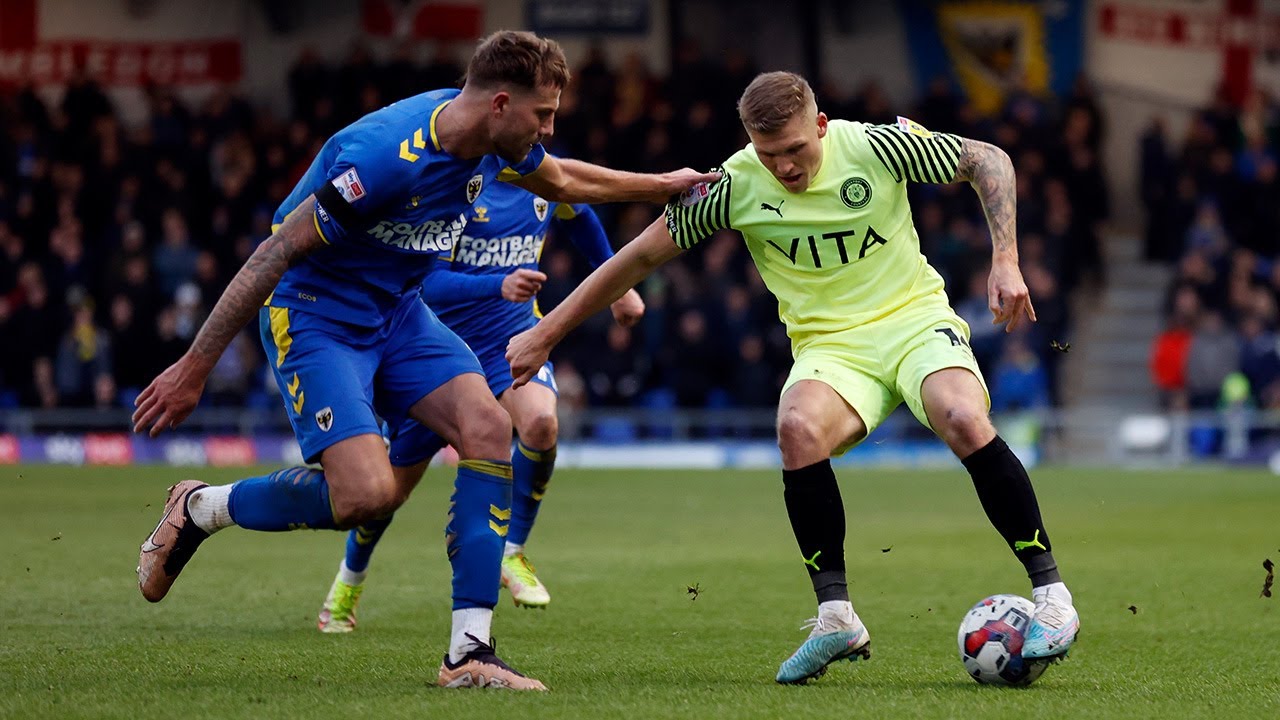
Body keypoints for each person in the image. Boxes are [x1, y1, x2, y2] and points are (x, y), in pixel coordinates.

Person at [132, 30, 716, 692]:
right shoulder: (385, 156)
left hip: (402, 313)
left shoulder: (497, 144)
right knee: (365, 497)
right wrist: (195, 366)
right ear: (500, 104)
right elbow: (275, 254)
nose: (549, 129)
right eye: (543, 115)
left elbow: (563, 178)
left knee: (491, 429)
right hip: (319, 313)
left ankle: (470, 653)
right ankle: (203, 507)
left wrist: (664, 185)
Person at [506, 71, 1080, 685]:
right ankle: (836, 618)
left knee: (961, 415)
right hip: (829, 348)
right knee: (797, 428)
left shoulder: (880, 147)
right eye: (768, 152)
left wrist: (1006, 259)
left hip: (912, 321)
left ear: (822, 127)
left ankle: (1054, 599)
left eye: (795, 149)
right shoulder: (732, 185)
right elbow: (637, 258)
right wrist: (546, 333)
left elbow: (987, 159)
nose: (782, 166)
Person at [316, 179, 645, 631]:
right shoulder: (459, 190)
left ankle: (511, 552)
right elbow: (426, 283)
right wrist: (499, 284)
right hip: (440, 358)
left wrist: (617, 283)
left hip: (511, 344)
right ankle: (349, 581)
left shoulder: (548, 181)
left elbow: (581, 216)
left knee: (542, 424)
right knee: (386, 494)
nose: (540, 131)